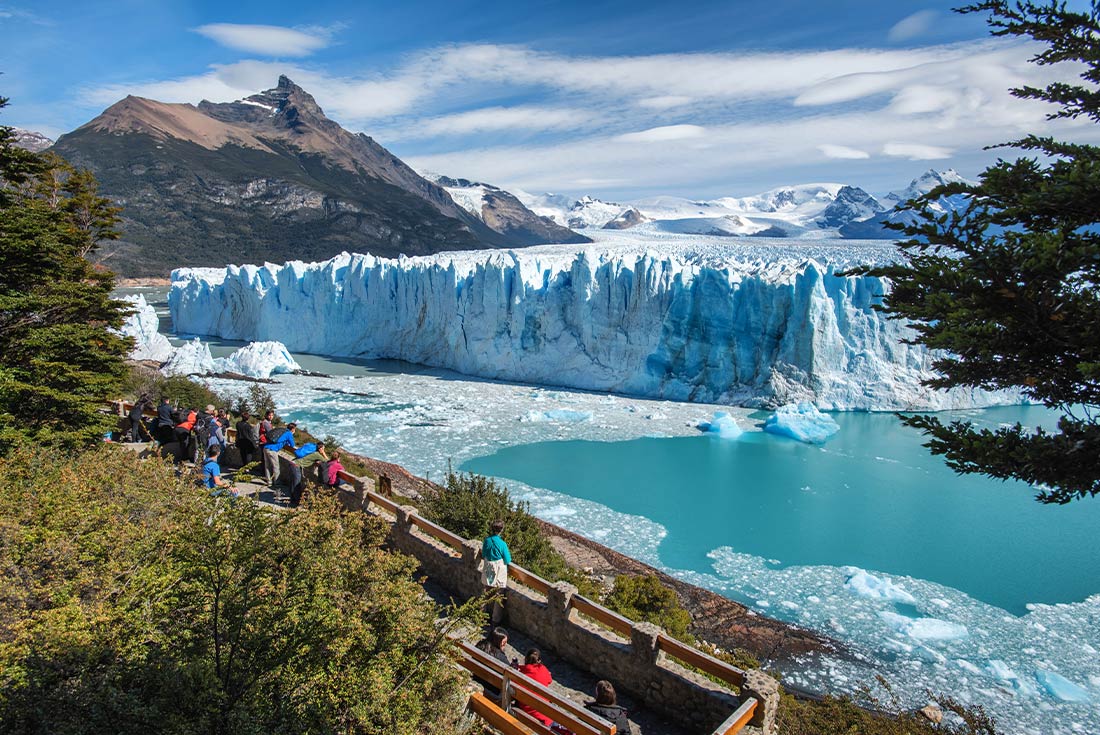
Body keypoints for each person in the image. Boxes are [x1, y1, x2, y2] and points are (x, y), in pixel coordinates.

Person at [481, 519, 511, 625]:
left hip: (488, 567)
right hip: (498, 570)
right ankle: (495, 619)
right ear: (501, 530)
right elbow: (508, 560)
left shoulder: (487, 541)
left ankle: (481, 615)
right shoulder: (502, 544)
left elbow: (483, 554)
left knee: (485, 592)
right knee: (499, 595)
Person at [517, 649, 555, 728]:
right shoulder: (543, 669)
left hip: (527, 712)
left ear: (525, 659)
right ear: (539, 660)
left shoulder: (520, 674)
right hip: (545, 717)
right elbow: (549, 680)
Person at [290, 440, 328, 508]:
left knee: (294, 483)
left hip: (293, 463)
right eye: (323, 448)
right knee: (297, 485)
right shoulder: (316, 454)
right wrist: (323, 453)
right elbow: (327, 461)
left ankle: (293, 500)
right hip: (296, 466)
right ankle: (297, 502)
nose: (323, 450)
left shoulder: (311, 451)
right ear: (320, 448)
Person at [261, 421, 297, 491]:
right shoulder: (289, 433)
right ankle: (277, 483)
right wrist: (291, 435)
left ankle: (269, 481)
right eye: (294, 429)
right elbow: (292, 445)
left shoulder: (282, 431)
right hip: (272, 450)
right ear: (292, 429)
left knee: (267, 466)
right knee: (276, 467)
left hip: (266, 447)